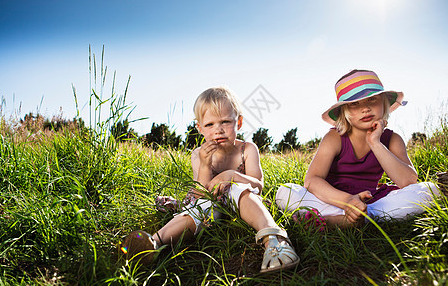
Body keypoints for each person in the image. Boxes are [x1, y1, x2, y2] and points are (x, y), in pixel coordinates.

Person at [121, 87, 299, 273]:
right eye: (209, 125)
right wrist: (205, 166)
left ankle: (274, 238)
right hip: (209, 204)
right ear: (199, 128)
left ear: (238, 122)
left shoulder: (247, 149)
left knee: (238, 189)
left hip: (243, 204)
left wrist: (232, 176)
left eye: (225, 122)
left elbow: (258, 185)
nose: (218, 130)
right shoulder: (199, 154)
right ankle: (152, 243)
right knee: (200, 208)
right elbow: (199, 193)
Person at [276, 69, 440, 228]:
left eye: (372, 100)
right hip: (332, 199)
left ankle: (345, 219)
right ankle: (349, 217)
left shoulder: (392, 139)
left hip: (372, 201)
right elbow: (312, 180)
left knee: (429, 191)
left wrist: (375, 142)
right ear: (344, 112)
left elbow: (408, 181)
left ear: (384, 104)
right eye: (355, 104)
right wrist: (347, 201)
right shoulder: (334, 138)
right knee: (286, 191)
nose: (365, 108)